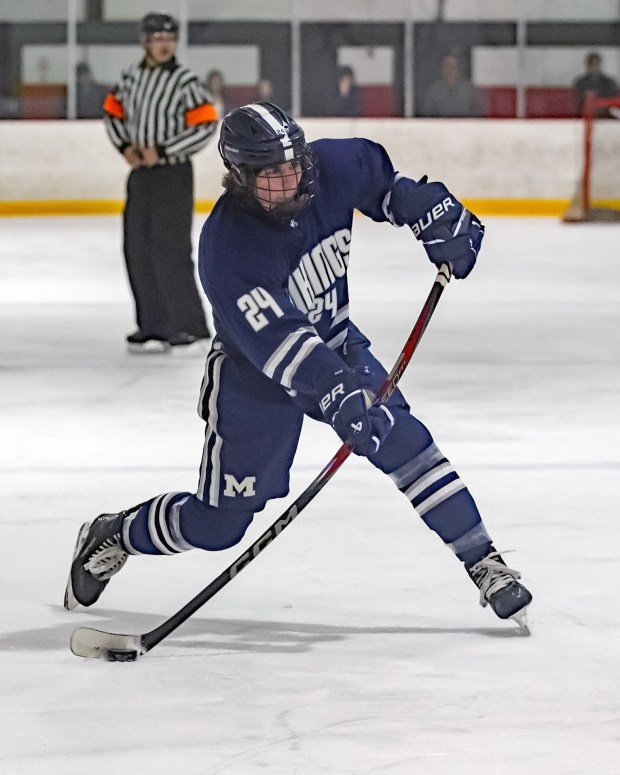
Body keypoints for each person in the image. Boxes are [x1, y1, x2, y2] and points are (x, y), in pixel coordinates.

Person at [64, 102, 532, 630]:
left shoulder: (330, 165)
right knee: (219, 526)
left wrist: (431, 212)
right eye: (270, 175)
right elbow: (282, 345)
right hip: (254, 377)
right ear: (239, 177)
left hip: (339, 346)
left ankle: (484, 562)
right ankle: (115, 533)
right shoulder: (227, 247)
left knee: (405, 443)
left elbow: (388, 190)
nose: (288, 182)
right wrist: (338, 394)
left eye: (292, 167)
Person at [103, 12, 218, 354]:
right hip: (141, 174)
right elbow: (112, 113)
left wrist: (164, 150)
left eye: (169, 38)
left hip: (173, 174)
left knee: (170, 249)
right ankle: (152, 324)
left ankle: (189, 326)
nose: (164, 44)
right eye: (157, 38)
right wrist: (125, 147)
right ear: (145, 42)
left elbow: (206, 124)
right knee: (137, 247)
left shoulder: (185, 81)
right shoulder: (130, 77)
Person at [422, 52, 484, 118]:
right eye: (447, 67)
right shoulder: (434, 91)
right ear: (441, 69)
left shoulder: (470, 90)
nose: (450, 70)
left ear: (458, 69)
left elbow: (479, 114)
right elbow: (427, 116)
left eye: (453, 67)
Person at [572, 52, 619, 117]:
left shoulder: (609, 82)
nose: (594, 67)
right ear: (587, 65)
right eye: (591, 64)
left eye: (596, 64)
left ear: (600, 64)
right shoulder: (580, 82)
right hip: (587, 115)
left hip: (607, 116)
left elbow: (613, 101)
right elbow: (579, 102)